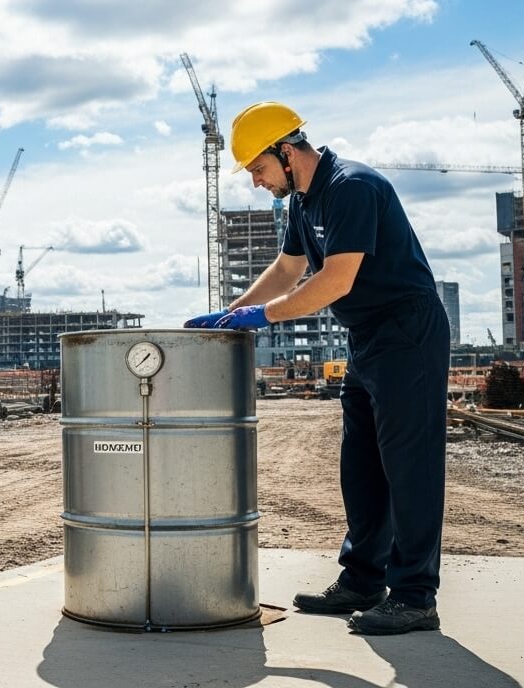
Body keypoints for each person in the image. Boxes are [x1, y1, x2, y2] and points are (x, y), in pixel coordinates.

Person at [185, 102, 450, 636]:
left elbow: (335, 282)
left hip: (408, 331)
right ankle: (363, 580)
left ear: (287, 152)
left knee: (409, 467)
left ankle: (416, 596)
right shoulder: (303, 203)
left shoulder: (351, 187)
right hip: (368, 336)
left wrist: (261, 318)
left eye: (258, 169)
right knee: (362, 465)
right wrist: (234, 313)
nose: (257, 182)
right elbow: (289, 268)